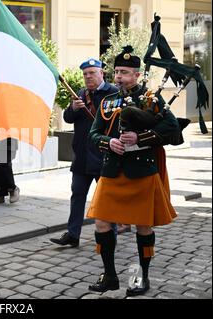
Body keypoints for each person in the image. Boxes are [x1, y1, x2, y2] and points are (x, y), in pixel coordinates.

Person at [86, 46, 180, 296]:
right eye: (116, 71)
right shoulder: (107, 101)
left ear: (137, 75)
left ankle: (141, 277)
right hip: (112, 171)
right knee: (101, 223)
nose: (118, 77)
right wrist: (109, 142)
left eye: (125, 72)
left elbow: (173, 130)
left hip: (142, 171)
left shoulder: (151, 98)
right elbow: (93, 134)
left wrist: (140, 138)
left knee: (143, 226)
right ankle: (110, 276)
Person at [50, 58, 118, 248]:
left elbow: (115, 123)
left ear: (101, 73)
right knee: (77, 195)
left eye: (92, 73)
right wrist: (73, 108)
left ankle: (110, 234)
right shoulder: (80, 94)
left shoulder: (113, 93)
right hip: (81, 157)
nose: (88, 77)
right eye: (85, 74)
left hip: (103, 156)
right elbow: (67, 118)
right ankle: (73, 234)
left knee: (106, 200)